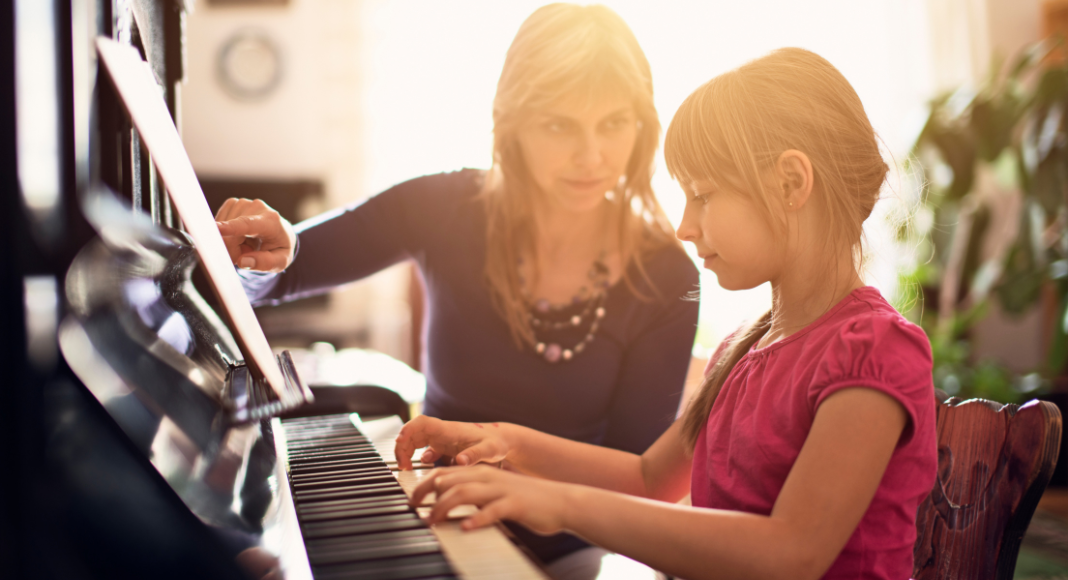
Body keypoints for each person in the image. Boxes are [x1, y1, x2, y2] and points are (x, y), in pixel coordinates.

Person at [394, 48, 939, 580]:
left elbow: (790, 554)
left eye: (702, 195)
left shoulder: (873, 350)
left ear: (790, 183)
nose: (684, 227)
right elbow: (648, 478)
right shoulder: (744, 348)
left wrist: (559, 505)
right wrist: (505, 441)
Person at [214, 3, 699, 567]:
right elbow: (289, 268)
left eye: (614, 123)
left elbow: (635, 476)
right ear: (513, 121)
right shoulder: (444, 206)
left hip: (568, 546)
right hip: (431, 512)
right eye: (559, 125)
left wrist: (515, 476)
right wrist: (262, 253)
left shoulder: (667, 276)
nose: (591, 156)